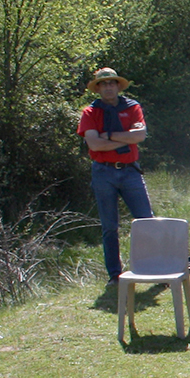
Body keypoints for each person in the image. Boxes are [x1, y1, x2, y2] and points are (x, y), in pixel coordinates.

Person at [76, 67, 152, 282]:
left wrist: (108, 136)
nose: (108, 87)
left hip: (130, 171)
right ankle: (114, 276)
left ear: (118, 86)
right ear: (98, 88)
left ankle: (152, 267)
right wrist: (124, 138)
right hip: (103, 172)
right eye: (104, 84)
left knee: (146, 220)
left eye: (112, 83)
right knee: (109, 226)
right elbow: (93, 143)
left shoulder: (133, 107)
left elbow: (140, 135)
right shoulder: (90, 112)